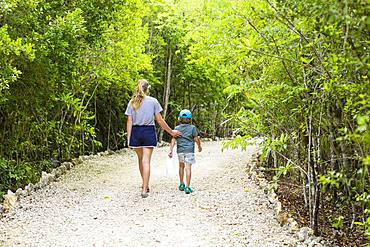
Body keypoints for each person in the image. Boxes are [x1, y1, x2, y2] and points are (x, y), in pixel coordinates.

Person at [125, 79, 181, 198]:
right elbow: (159, 120)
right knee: (146, 161)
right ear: (148, 89)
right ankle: (145, 188)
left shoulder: (132, 102)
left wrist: (129, 138)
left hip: (136, 132)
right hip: (148, 131)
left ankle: (144, 184)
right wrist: (171, 132)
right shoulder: (153, 101)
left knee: (140, 160)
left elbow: (129, 121)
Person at [168, 109, 202, 194]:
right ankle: (187, 187)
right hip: (189, 151)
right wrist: (199, 146)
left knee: (181, 167)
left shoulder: (176, 128)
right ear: (190, 119)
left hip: (180, 151)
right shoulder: (193, 128)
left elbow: (173, 140)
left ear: (179, 119)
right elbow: (196, 138)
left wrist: (171, 150)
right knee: (188, 168)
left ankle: (181, 184)